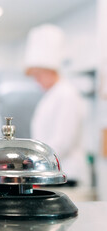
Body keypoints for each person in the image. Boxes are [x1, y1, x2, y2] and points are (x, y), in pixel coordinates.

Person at [25, 24, 89, 186]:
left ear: (50, 70)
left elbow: (63, 141)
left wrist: (35, 163)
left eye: (38, 75)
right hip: (51, 172)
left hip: (66, 174)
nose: (36, 80)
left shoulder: (66, 94)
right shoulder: (51, 95)